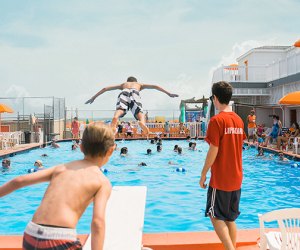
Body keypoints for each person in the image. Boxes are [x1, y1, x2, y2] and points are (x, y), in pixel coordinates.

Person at [0, 124, 115, 249]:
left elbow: (19, 181)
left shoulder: (61, 168)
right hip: (60, 238)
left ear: (81, 147)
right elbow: (98, 223)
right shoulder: (102, 182)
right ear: (111, 150)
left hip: (31, 233)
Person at [199, 81, 246, 250]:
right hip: (236, 178)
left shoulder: (216, 121)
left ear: (215, 98)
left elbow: (214, 150)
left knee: (214, 215)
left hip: (221, 179)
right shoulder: (239, 120)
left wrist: (204, 173)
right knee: (230, 219)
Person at [85, 76, 179, 135]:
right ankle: (142, 122)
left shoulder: (123, 84)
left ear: (128, 81)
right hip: (135, 92)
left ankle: (115, 118)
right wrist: (169, 93)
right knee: (139, 112)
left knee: (120, 110)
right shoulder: (139, 84)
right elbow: (155, 86)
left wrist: (93, 98)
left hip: (124, 92)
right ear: (135, 81)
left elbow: (105, 88)